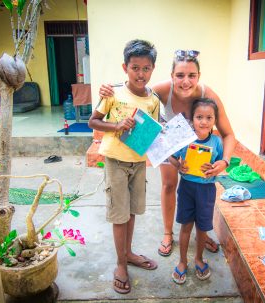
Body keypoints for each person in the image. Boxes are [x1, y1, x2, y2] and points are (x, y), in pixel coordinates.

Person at [99, 49, 236, 256]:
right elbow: (134, 89)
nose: (186, 82)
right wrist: (108, 89)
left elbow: (229, 134)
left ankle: (202, 233)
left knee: (199, 191)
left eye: (192, 76)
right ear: (172, 76)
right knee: (170, 184)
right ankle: (167, 232)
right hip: (170, 145)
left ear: (199, 76)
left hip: (199, 150)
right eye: (180, 75)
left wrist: (224, 162)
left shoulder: (208, 96)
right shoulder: (162, 90)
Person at [88, 39, 160, 294]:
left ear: (153, 69)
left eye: (146, 68)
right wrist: (117, 126)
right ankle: (120, 263)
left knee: (130, 212)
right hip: (116, 161)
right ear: (125, 67)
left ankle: (128, 253)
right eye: (135, 67)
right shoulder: (113, 93)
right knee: (119, 214)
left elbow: (154, 130)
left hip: (138, 163)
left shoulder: (153, 99)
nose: (141, 74)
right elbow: (93, 122)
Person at [169, 98, 224, 284]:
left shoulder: (217, 142)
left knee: (202, 228)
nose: (204, 121)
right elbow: (172, 156)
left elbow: (222, 162)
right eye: (199, 117)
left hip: (207, 190)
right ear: (192, 119)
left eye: (209, 117)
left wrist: (216, 167)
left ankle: (199, 258)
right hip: (186, 188)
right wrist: (179, 166)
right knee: (185, 225)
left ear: (214, 120)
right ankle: (182, 261)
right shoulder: (186, 140)